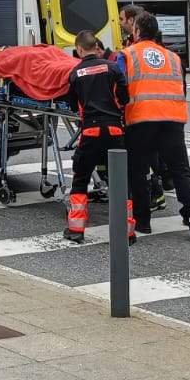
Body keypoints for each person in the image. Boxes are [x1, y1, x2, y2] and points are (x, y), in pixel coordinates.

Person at [119, 12, 190, 242]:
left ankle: (143, 221)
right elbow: (181, 88)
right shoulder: (173, 57)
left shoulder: (128, 55)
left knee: (138, 171)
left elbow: (118, 88)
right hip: (172, 120)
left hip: (141, 120)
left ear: (137, 31)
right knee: (180, 170)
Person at [63, 30, 133, 245]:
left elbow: (72, 104)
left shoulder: (75, 73)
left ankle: (76, 230)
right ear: (96, 47)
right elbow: (125, 97)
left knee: (80, 179)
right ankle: (127, 232)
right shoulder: (112, 67)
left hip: (90, 131)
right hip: (115, 130)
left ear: (80, 49)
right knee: (120, 181)